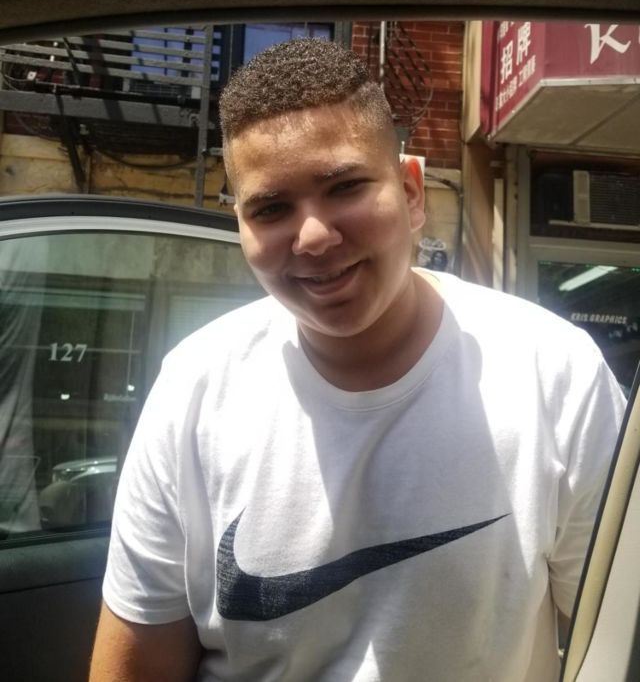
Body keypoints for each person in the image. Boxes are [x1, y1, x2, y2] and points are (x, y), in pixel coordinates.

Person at [89, 38, 625, 682]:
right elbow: (137, 663)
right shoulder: (194, 388)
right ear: (242, 228)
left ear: (412, 193)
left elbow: (614, 638)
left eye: (344, 187)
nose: (314, 237)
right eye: (271, 208)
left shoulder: (554, 372)